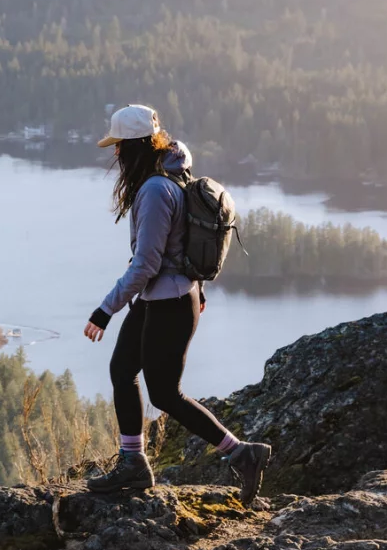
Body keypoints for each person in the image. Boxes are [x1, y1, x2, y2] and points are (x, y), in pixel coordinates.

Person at [82, 104, 272, 505]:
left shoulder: (154, 189)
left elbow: (146, 264)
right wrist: (198, 288)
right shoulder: (172, 173)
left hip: (168, 302)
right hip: (164, 298)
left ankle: (242, 453)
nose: (115, 155)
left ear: (133, 147)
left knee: (166, 394)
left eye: (118, 147)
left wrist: (105, 309)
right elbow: (182, 242)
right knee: (122, 370)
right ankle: (133, 464)